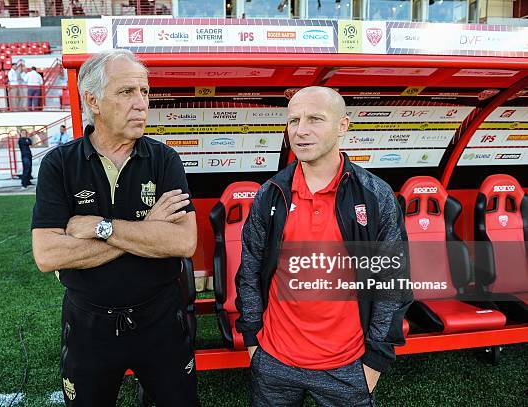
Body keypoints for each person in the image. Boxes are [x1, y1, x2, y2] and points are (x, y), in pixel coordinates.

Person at [31, 49, 198, 407]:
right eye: (127, 92)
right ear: (93, 101)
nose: (141, 103)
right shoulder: (59, 164)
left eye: (145, 92)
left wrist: (100, 228)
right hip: (89, 325)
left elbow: (183, 241)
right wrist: (149, 228)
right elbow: (48, 255)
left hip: (160, 320)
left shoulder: (165, 159)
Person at [235, 87, 411, 406]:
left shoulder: (375, 196)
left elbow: (393, 285)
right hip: (274, 360)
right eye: (293, 121)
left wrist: (374, 361)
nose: (301, 131)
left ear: (343, 126)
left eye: (315, 119)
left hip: (347, 365)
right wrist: (253, 342)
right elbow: (249, 272)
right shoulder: (270, 194)